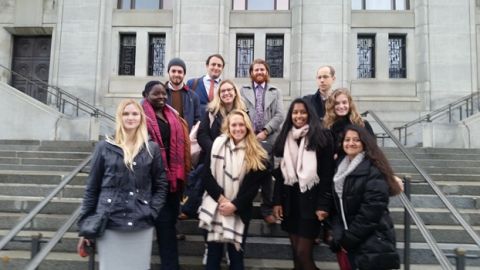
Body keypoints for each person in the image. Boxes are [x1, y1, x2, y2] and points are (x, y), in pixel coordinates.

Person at [77, 99, 168, 270]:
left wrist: (152, 211)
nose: (130, 117)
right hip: (109, 221)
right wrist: (86, 225)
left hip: (141, 222)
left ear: (141, 117)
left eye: (134, 113)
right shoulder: (104, 147)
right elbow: (92, 187)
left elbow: (161, 184)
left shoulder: (151, 148)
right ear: (120, 117)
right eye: (126, 113)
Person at [198, 109, 270, 270]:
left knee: (236, 257)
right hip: (215, 208)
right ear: (228, 127)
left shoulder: (257, 153)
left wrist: (234, 205)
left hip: (240, 211)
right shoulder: (217, 145)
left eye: (241, 125)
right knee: (213, 257)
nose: (238, 129)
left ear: (248, 127)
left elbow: (251, 189)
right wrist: (223, 200)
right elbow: (206, 176)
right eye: (234, 125)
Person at [272, 98, 335, 270]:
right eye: (295, 112)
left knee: (302, 254)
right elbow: (280, 174)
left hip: (311, 204)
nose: (298, 116)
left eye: (303, 112)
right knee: (296, 255)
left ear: (310, 114)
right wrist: (277, 201)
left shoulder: (322, 136)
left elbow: (327, 175)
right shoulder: (286, 137)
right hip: (291, 202)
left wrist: (323, 204)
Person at [329, 125, 401, 270]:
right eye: (347, 140)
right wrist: (338, 235)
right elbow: (337, 207)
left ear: (364, 143)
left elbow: (371, 213)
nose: (350, 143)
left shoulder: (373, 170)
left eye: (356, 140)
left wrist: (347, 240)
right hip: (349, 240)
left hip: (372, 241)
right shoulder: (340, 169)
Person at [180, 79, 246, 219]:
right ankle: (190, 208)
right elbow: (202, 134)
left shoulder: (243, 112)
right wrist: (216, 149)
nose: (226, 93)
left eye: (229, 90)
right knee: (200, 178)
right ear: (219, 94)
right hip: (212, 155)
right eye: (223, 91)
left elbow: (247, 133)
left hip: (236, 158)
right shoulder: (211, 112)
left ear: (235, 92)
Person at [142, 80, 190, 270]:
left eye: (164, 93)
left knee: (168, 227)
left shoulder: (172, 114)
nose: (161, 97)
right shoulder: (140, 116)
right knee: (164, 227)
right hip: (151, 183)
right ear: (146, 95)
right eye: (156, 94)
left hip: (172, 182)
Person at [240, 58, 284, 224]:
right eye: (256, 70)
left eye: (262, 69)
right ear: (251, 73)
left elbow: (280, 115)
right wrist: (250, 133)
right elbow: (240, 112)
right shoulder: (243, 90)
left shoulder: (276, 91)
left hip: (268, 138)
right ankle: (244, 206)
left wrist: (265, 132)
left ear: (266, 73)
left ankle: (266, 209)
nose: (259, 72)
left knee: (265, 173)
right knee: (248, 173)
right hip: (248, 138)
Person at [323, 88, 375, 153]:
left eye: (344, 102)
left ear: (350, 104)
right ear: (332, 106)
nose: (341, 106)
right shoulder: (327, 126)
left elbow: (372, 149)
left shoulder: (362, 124)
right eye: (337, 103)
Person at [166, 57, 201, 131]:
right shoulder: (161, 94)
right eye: (173, 71)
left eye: (180, 72)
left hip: (186, 139)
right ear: (168, 72)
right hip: (166, 139)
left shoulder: (193, 97)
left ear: (184, 74)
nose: (176, 74)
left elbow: (197, 121)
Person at [187, 54, 225, 118]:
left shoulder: (225, 87)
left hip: (218, 126)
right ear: (207, 66)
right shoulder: (192, 84)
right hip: (197, 126)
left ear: (222, 68)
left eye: (219, 66)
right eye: (213, 64)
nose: (216, 67)